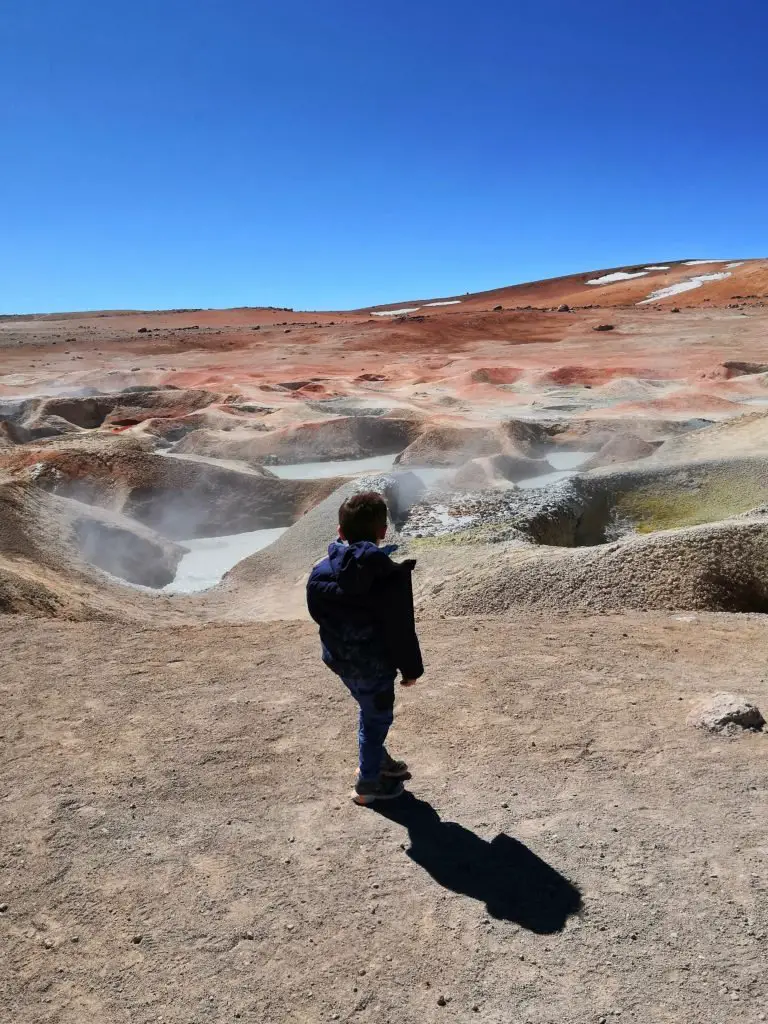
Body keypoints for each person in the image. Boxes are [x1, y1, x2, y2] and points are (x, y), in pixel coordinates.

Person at [306, 491, 424, 805]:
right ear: (383, 531)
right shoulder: (390, 578)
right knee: (377, 718)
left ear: (340, 532)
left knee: (369, 710)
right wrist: (412, 670)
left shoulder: (318, 572)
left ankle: (378, 759)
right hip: (376, 668)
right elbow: (401, 631)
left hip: (340, 662)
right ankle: (369, 784)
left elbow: (317, 614)